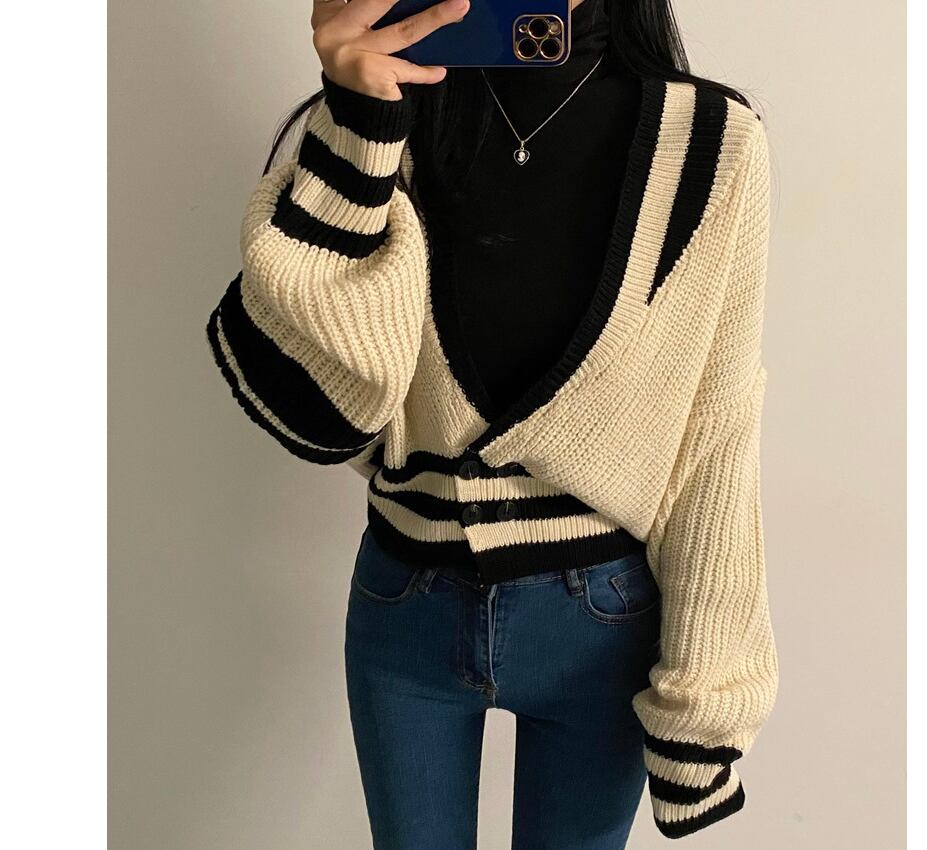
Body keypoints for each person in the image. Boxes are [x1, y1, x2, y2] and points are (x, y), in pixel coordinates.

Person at [203, 0, 779, 846]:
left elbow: (714, 435)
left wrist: (706, 696)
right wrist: (358, 125)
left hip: (601, 623)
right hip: (408, 603)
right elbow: (320, 412)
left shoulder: (712, 144)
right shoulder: (386, 111)